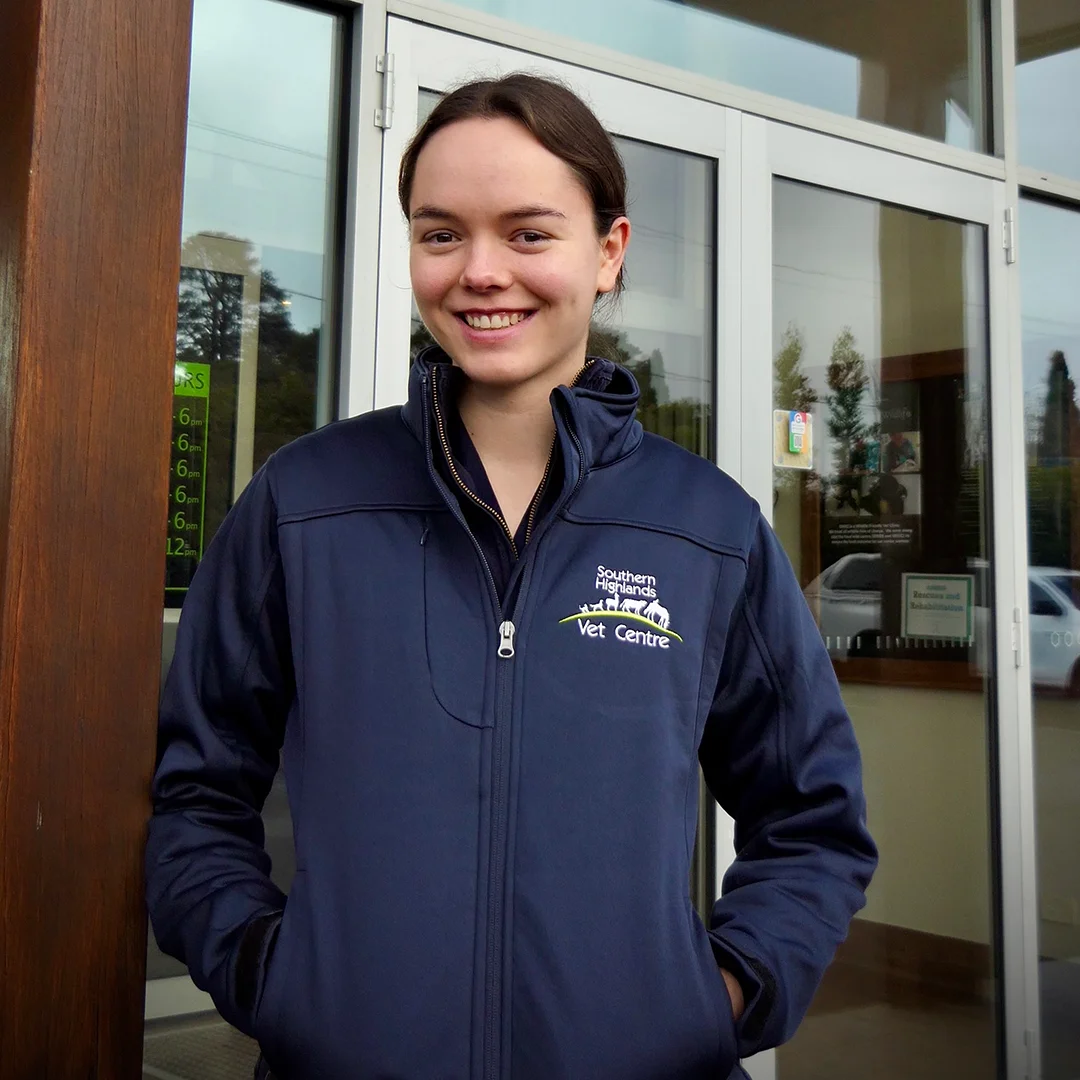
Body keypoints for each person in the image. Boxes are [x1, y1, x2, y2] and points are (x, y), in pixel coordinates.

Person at [146, 74, 877, 1080]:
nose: (481, 271)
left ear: (608, 252)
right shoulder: (304, 505)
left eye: (529, 234)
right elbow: (196, 793)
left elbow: (814, 819)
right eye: (441, 234)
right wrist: (276, 978)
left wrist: (720, 997)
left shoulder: (707, 531)